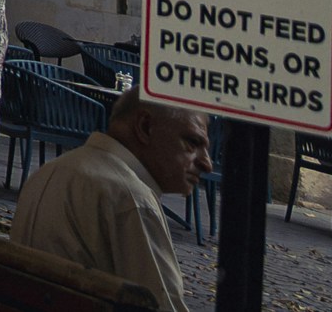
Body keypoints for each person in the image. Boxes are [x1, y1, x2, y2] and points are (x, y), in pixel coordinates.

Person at [11, 92, 204, 312]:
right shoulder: (130, 198)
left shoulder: (48, 171)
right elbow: (163, 306)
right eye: (192, 142)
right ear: (146, 127)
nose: (206, 162)